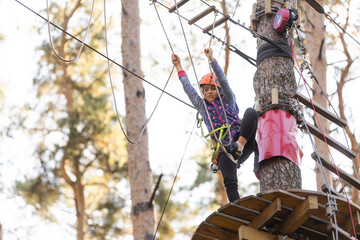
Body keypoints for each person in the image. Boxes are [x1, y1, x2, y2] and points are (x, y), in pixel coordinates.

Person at [171, 48, 258, 202]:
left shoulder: (228, 100)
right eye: (205, 89)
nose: (209, 92)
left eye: (212, 88)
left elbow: (223, 80)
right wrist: (179, 67)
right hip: (225, 148)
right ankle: (237, 210)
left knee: (251, 113)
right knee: (230, 182)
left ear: (219, 91)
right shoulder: (202, 107)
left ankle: (240, 146)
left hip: (240, 140)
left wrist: (212, 60)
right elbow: (188, 89)